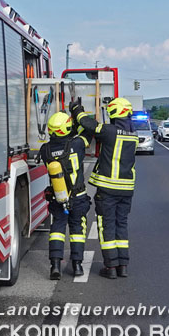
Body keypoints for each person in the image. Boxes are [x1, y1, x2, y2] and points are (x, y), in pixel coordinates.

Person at [70, 97, 137, 279]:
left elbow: (89, 124)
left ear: (114, 113)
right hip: (127, 190)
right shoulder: (134, 135)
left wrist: (77, 110)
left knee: (106, 225)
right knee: (121, 225)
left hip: (108, 189)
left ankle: (110, 267)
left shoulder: (109, 131)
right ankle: (122, 265)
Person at [39, 112, 91, 279]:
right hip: (78, 196)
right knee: (77, 230)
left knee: (57, 229)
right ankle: (77, 266)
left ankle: (55, 265)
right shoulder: (77, 144)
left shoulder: (44, 150)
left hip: (58, 197)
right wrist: (78, 115)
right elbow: (89, 131)